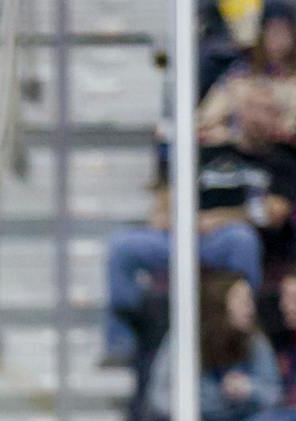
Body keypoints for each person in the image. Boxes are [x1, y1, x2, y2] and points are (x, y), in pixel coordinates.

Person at [105, 85, 296, 366]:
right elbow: (161, 208)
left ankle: (244, 327)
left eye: (269, 110)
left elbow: (274, 212)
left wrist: (219, 219)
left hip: (228, 240)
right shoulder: (206, 151)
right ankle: (122, 341)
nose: (262, 117)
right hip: (183, 235)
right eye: (255, 108)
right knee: (123, 246)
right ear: (239, 112)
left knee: (241, 239)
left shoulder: (283, 159)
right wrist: (179, 218)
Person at [147, 270, 282, 421]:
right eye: (243, 302)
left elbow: (274, 394)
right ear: (220, 305)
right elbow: (159, 397)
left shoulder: (255, 340)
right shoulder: (184, 340)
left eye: (251, 301)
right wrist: (203, 403)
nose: (251, 308)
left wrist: (249, 389)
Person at [198, 2, 296, 145]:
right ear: (261, 35)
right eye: (272, 32)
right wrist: (232, 134)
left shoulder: (292, 84)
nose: (278, 40)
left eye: (283, 32)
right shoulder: (239, 80)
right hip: (244, 156)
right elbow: (204, 121)